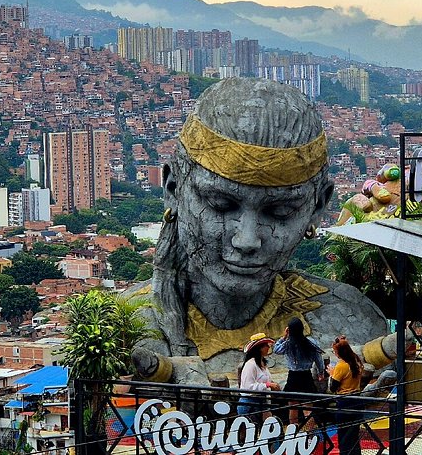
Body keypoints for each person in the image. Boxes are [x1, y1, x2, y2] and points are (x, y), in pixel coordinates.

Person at [139, 78, 389, 378]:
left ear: (317, 208)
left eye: (281, 211)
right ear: (174, 190)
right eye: (220, 204)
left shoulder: (355, 322)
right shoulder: (120, 329)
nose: (247, 240)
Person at [274, 317, 326, 424]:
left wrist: (284, 337)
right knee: (308, 409)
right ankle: (310, 435)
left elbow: (276, 350)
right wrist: (321, 372)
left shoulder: (287, 344)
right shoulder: (310, 342)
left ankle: (294, 433)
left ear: (289, 330)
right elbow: (318, 359)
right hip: (306, 376)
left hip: (293, 377)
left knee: (293, 408)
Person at [331, 336, 364, 455]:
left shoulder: (341, 366)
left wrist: (331, 373)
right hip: (357, 400)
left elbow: (333, 387)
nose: (334, 354)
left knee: (344, 436)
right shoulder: (356, 360)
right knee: (354, 434)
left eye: (335, 351)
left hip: (344, 402)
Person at [238, 333, 280, 418]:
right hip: (250, 404)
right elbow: (248, 387)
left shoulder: (262, 363)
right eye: (266, 345)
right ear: (259, 348)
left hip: (262, 402)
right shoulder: (251, 364)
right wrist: (268, 385)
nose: (268, 347)